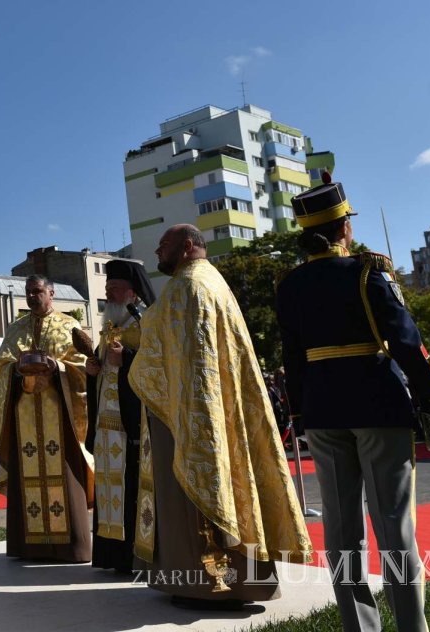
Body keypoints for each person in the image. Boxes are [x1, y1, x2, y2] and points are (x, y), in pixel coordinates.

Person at [276, 175, 430, 632]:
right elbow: (407, 341)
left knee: (340, 531)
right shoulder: (369, 272)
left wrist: (299, 411)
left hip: (322, 411)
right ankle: (411, 627)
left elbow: (292, 357)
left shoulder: (289, 285)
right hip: (377, 403)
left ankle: (360, 627)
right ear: (343, 228)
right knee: (393, 526)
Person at [130, 224, 311, 609]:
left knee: (197, 491)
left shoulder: (186, 287)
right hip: (217, 409)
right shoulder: (214, 281)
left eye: (163, 246)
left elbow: (167, 351)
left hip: (191, 414)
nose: (157, 254)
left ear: (187, 246)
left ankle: (207, 584)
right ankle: (243, 582)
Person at [0, 274, 93, 562]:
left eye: (37, 291)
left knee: (64, 476)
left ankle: (71, 547)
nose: (32, 297)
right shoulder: (15, 329)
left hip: (59, 418)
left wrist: (57, 367)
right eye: (28, 292)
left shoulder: (69, 326)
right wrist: (18, 369)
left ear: (51, 293)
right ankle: (30, 547)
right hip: (25, 418)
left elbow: (84, 367)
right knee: (28, 479)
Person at [84, 258, 154, 575]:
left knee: (133, 489)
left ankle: (134, 557)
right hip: (107, 424)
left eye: (114, 288)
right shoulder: (110, 325)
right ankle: (112, 557)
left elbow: (156, 365)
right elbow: (104, 370)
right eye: (107, 288)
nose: (109, 295)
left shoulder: (146, 321)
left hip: (133, 423)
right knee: (109, 488)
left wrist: (124, 357)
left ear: (131, 291)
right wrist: (93, 370)